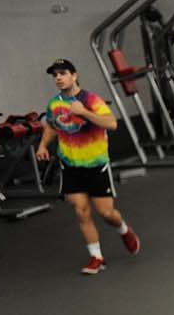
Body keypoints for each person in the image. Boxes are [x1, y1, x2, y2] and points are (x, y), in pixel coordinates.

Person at [35, 59, 140, 275]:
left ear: (74, 75)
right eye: (55, 75)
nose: (58, 78)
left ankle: (124, 229)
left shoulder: (91, 100)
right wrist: (43, 144)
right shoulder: (54, 104)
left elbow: (111, 123)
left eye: (63, 73)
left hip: (96, 165)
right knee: (82, 211)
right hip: (70, 165)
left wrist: (84, 112)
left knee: (106, 213)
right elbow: (53, 126)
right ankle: (96, 257)